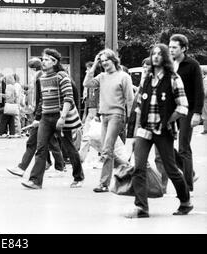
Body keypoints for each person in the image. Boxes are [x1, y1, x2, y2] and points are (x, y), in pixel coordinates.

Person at [126, 43, 192, 218]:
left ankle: (185, 201)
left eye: (159, 54)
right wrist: (136, 131)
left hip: (163, 131)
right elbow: (139, 105)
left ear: (165, 58)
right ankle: (141, 207)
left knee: (170, 169)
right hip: (145, 130)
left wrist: (167, 121)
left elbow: (183, 106)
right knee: (138, 168)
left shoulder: (173, 78)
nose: (155, 57)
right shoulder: (146, 78)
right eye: (153, 54)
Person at [21, 49, 84, 189]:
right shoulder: (42, 78)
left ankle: (78, 177)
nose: (43, 62)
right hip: (45, 117)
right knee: (41, 148)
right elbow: (43, 99)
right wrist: (38, 118)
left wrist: (62, 118)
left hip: (60, 116)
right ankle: (35, 181)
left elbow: (69, 97)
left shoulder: (62, 76)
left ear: (54, 62)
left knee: (69, 148)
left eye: (46, 60)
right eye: (42, 60)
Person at [83, 48, 134, 193]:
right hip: (104, 115)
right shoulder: (101, 76)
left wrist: (130, 121)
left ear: (114, 60)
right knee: (107, 151)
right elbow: (86, 84)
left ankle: (103, 183)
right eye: (102, 61)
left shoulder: (124, 77)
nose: (105, 63)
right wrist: (93, 65)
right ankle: (129, 168)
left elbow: (129, 99)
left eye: (107, 60)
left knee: (106, 149)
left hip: (117, 115)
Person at [7, 57, 66, 177]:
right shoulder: (42, 77)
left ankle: (24, 168)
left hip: (43, 115)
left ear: (33, 68)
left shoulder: (40, 78)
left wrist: (37, 117)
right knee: (47, 142)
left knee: (36, 142)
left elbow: (41, 99)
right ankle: (56, 166)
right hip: (44, 114)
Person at [163, 34, 204, 192]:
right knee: (164, 145)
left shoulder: (192, 64)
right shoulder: (168, 64)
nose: (171, 50)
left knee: (183, 147)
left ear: (184, 49)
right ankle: (190, 172)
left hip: (189, 110)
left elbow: (199, 90)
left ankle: (187, 187)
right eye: (170, 47)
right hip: (172, 110)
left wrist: (197, 113)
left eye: (174, 47)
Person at [202, 67, 207, 134]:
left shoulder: (205, 80)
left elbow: (206, 91)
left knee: (205, 115)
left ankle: (205, 129)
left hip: (206, 100)